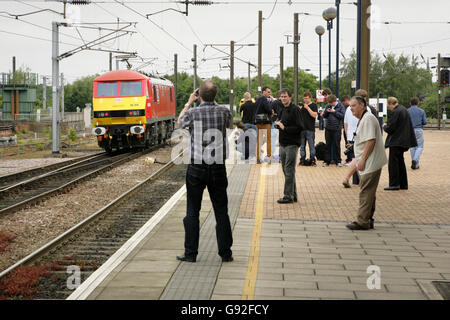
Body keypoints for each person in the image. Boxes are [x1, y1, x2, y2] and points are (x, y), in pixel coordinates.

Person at [176, 80, 234, 263]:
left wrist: (189, 102)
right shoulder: (223, 111)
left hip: (196, 168)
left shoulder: (193, 112)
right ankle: (225, 253)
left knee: (192, 211)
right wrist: (212, 100)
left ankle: (191, 253)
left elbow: (179, 122)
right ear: (215, 96)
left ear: (198, 95)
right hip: (217, 167)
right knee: (221, 211)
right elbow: (230, 122)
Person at [346, 96, 387, 230]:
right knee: (369, 192)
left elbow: (371, 140)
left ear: (362, 106)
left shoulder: (368, 118)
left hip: (370, 161)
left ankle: (362, 221)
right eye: (350, 106)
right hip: (370, 161)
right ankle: (367, 219)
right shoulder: (365, 118)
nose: (351, 109)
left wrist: (362, 159)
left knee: (365, 191)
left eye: (353, 106)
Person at [274, 88, 304, 204]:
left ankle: (287, 196)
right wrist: (278, 125)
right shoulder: (282, 109)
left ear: (290, 97)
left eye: (285, 96)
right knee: (286, 170)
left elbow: (300, 127)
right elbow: (281, 122)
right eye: (281, 97)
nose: (283, 99)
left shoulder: (295, 110)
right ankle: (293, 194)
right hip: (283, 143)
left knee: (289, 169)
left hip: (292, 143)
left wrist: (284, 128)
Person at [383, 97, 417, 191]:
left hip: (396, 141)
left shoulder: (395, 112)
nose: (389, 108)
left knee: (393, 163)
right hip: (403, 140)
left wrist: (385, 126)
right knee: (400, 162)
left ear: (391, 104)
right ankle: (403, 184)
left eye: (388, 106)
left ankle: (394, 184)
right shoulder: (404, 109)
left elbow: (391, 128)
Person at [322, 94, 345, 167]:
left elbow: (342, 116)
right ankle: (326, 161)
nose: (330, 104)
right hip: (328, 128)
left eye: (331, 103)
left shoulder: (340, 106)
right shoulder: (328, 105)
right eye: (329, 103)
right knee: (327, 145)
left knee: (337, 145)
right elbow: (325, 116)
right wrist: (326, 112)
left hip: (337, 128)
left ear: (335, 101)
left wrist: (334, 111)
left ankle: (338, 161)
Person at [254, 86, 273, 163]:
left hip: (258, 123)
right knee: (268, 140)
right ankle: (268, 157)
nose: (269, 93)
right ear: (263, 92)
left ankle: (258, 157)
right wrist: (271, 112)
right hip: (266, 123)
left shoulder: (257, 100)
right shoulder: (265, 100)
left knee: (259, 141)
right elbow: (268, 109)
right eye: (268, 92)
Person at [298, 91, 318, 166]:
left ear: (310, 98)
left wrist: (307, 108)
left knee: (311, 145)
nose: (305, 100)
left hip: (310, 129)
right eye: (304, 98)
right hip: (302, 129)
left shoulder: (313, 105)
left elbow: (314, 115)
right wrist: (299, 109)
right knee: (302, 146)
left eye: (307, 98)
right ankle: (302, 159)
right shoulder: (302, 106)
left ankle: (312, 159)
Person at [407, 97, 427, 169]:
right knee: (420, 146)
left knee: (412, 147)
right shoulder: (421, 111)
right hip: (418, 129)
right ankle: (415, 160)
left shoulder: (407, 111)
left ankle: (415, 164)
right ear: (417, 103)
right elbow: (425, 122)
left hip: (410, 130)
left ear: (410, 103)